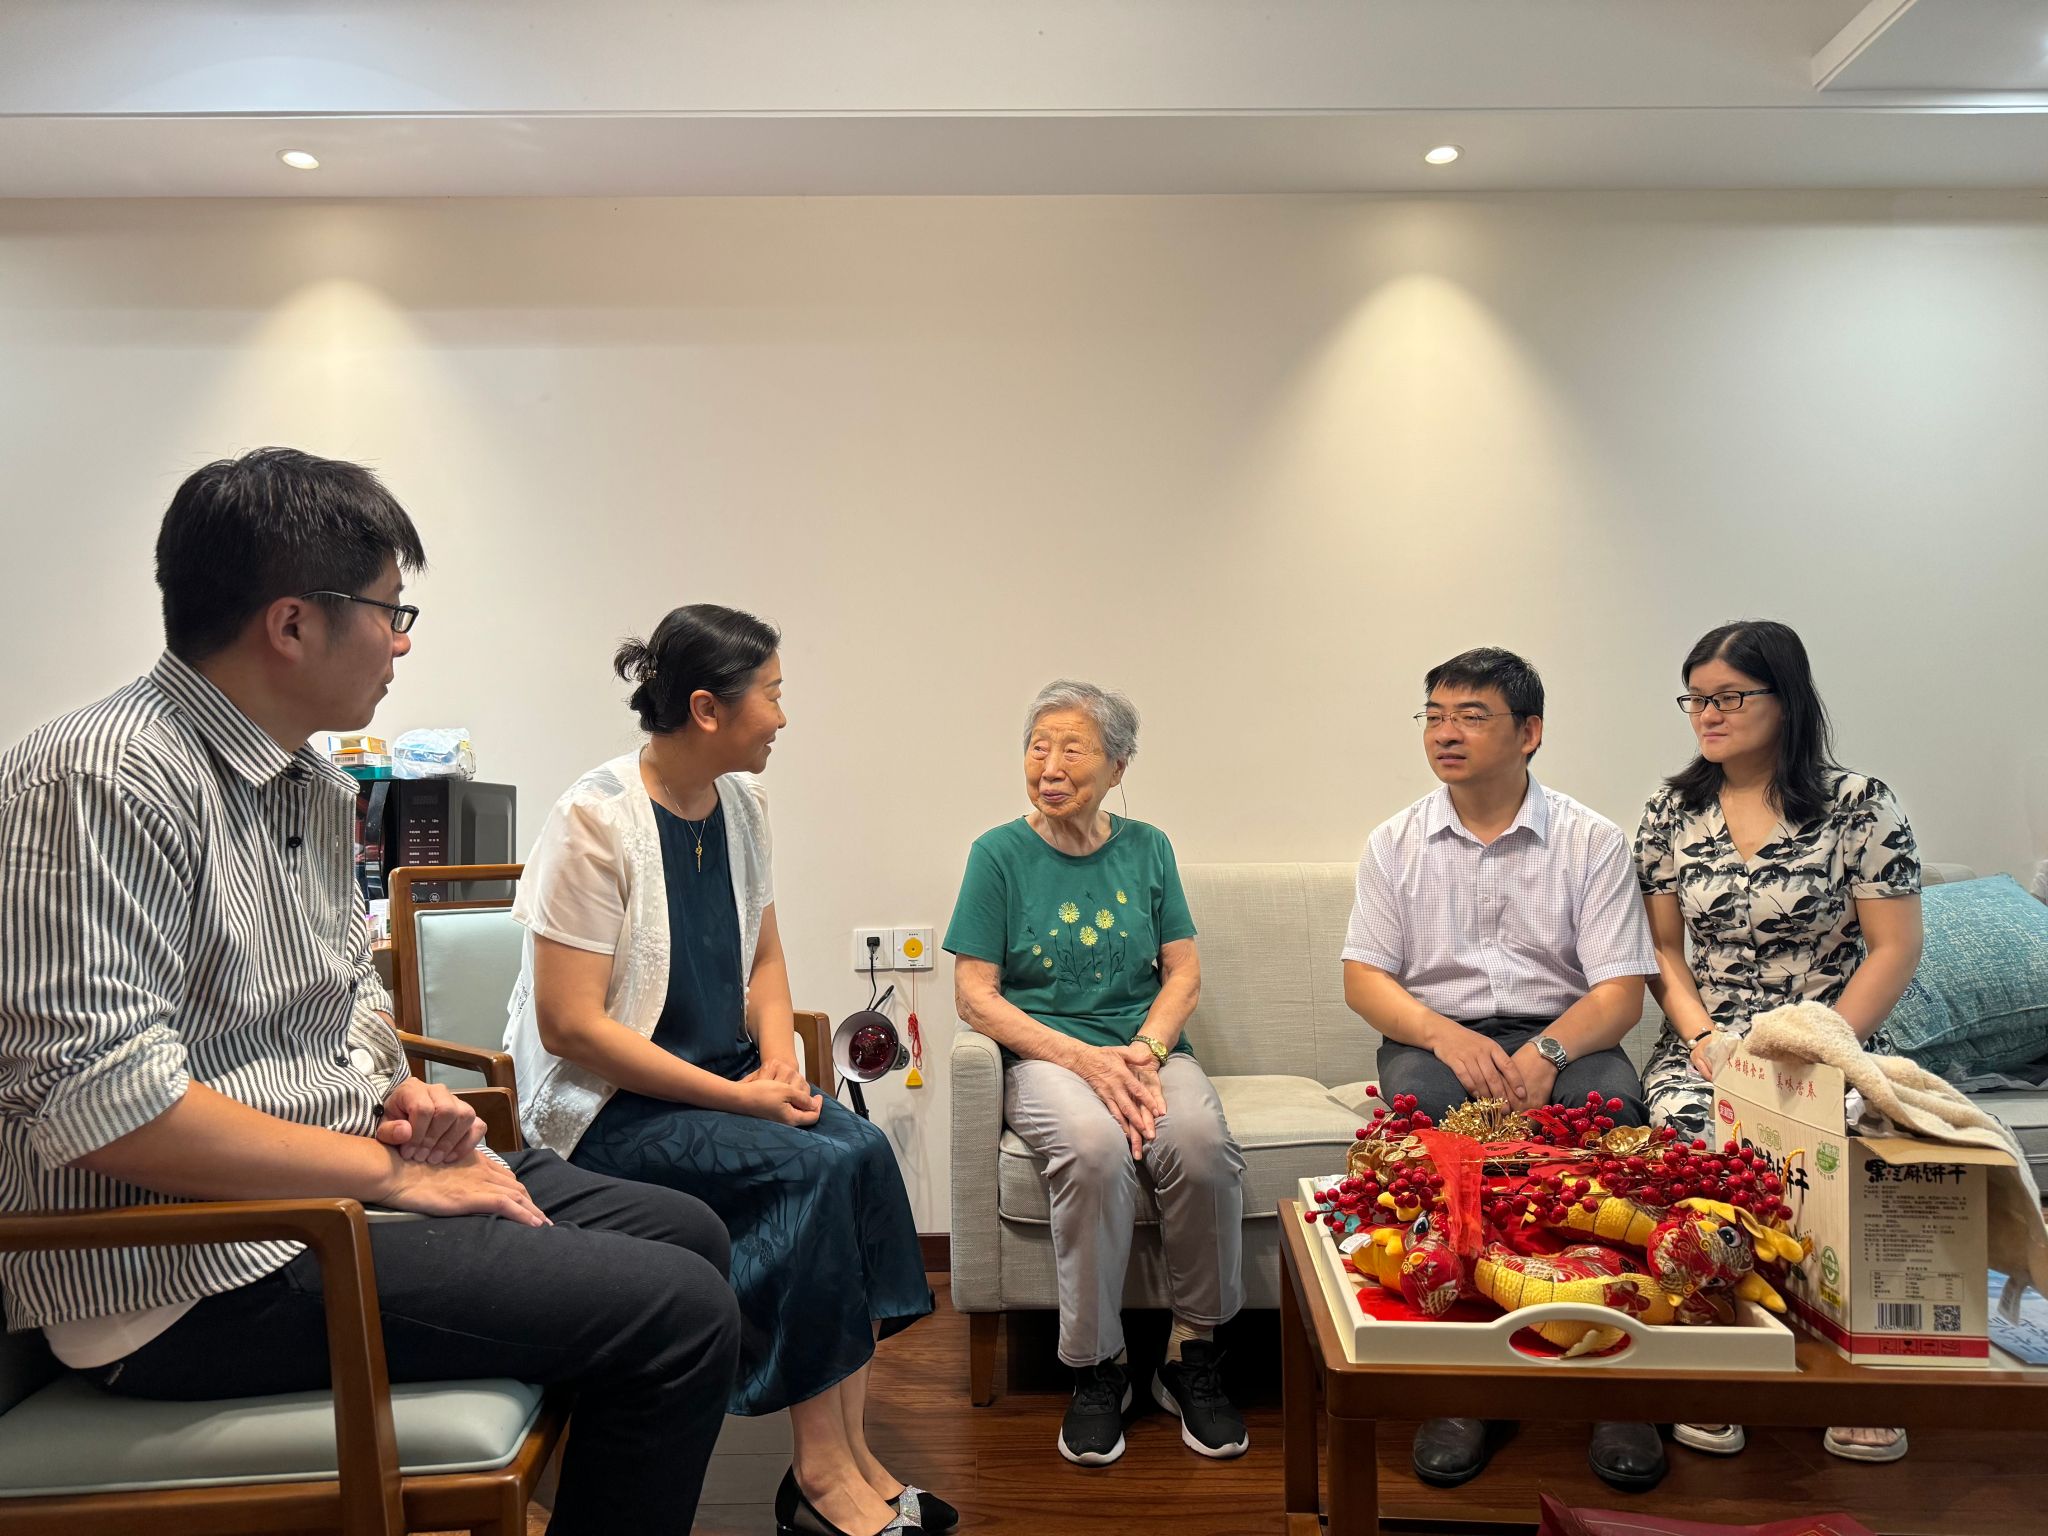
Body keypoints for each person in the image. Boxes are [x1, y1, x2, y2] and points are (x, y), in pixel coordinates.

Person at [0, 449, 740, 1536]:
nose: (401, 641)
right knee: (679, 1314)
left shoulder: (312, 782)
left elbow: (344, 995)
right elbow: (102, 1102)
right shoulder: (99, 779)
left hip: (319, 1194)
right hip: (186, 1272)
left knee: (689, 1234)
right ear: (293, 624)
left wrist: (396, 1093)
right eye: (392, 611)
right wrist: (392, 1174)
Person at [502, 604, 940, 1536]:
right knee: (810, 1170)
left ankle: (852, 1452)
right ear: (707, 708)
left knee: (862, 1152)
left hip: (731, 1078)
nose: (782, 717)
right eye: (771, 695)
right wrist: (741, 1097)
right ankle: (820, 1474)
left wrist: (778, 1057)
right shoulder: (593, 820)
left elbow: (764, 958)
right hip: (611, 1110)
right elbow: (569, 1027)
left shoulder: (743, 805)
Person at [1341, 646, 1664, 1493]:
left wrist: (1548, 1053)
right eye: (1435, 716)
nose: (1445, 733)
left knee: (1613, 1114)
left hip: (1566, 1032)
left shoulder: (1591, 840)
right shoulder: (1396, 842)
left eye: (1471, 717)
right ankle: (1464, 1379)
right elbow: (1365, 980)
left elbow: (1620, 994)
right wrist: (1444, 1036)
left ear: (1530, 733)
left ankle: (1620, 1374)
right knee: (1429, 1119)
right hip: (1437, 1034)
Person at [1636, 618, 1923, 1467]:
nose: (1707, 715)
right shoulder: (1670, 810)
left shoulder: (1860, 804)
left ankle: (1855, 1371)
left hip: (1833, 1040)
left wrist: (1822, 1046)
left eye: (1729, 697)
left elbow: (1894, 948)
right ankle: (1716, 1354)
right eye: (1696, 699)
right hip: (1712, 1044)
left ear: (1786, 699)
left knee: (1860, 1143)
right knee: (1689, 1138)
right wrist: (1703, 1039)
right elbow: (1661, 951)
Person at [945, 680, 1248, 1469]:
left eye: (1071, 749)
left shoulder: (1148, 847)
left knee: (1200, 1144)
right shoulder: (997, 855)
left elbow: (1183, 972)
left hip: (1144, 1051)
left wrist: (1146, 1051)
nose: (1049, 766)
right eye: (1037, 747)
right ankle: (1096, 1365)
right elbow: (974, 996)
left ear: (1117, 766)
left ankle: (1191, 1352)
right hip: (1048, 1058)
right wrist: (1083, 1060)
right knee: (1092, 1148)